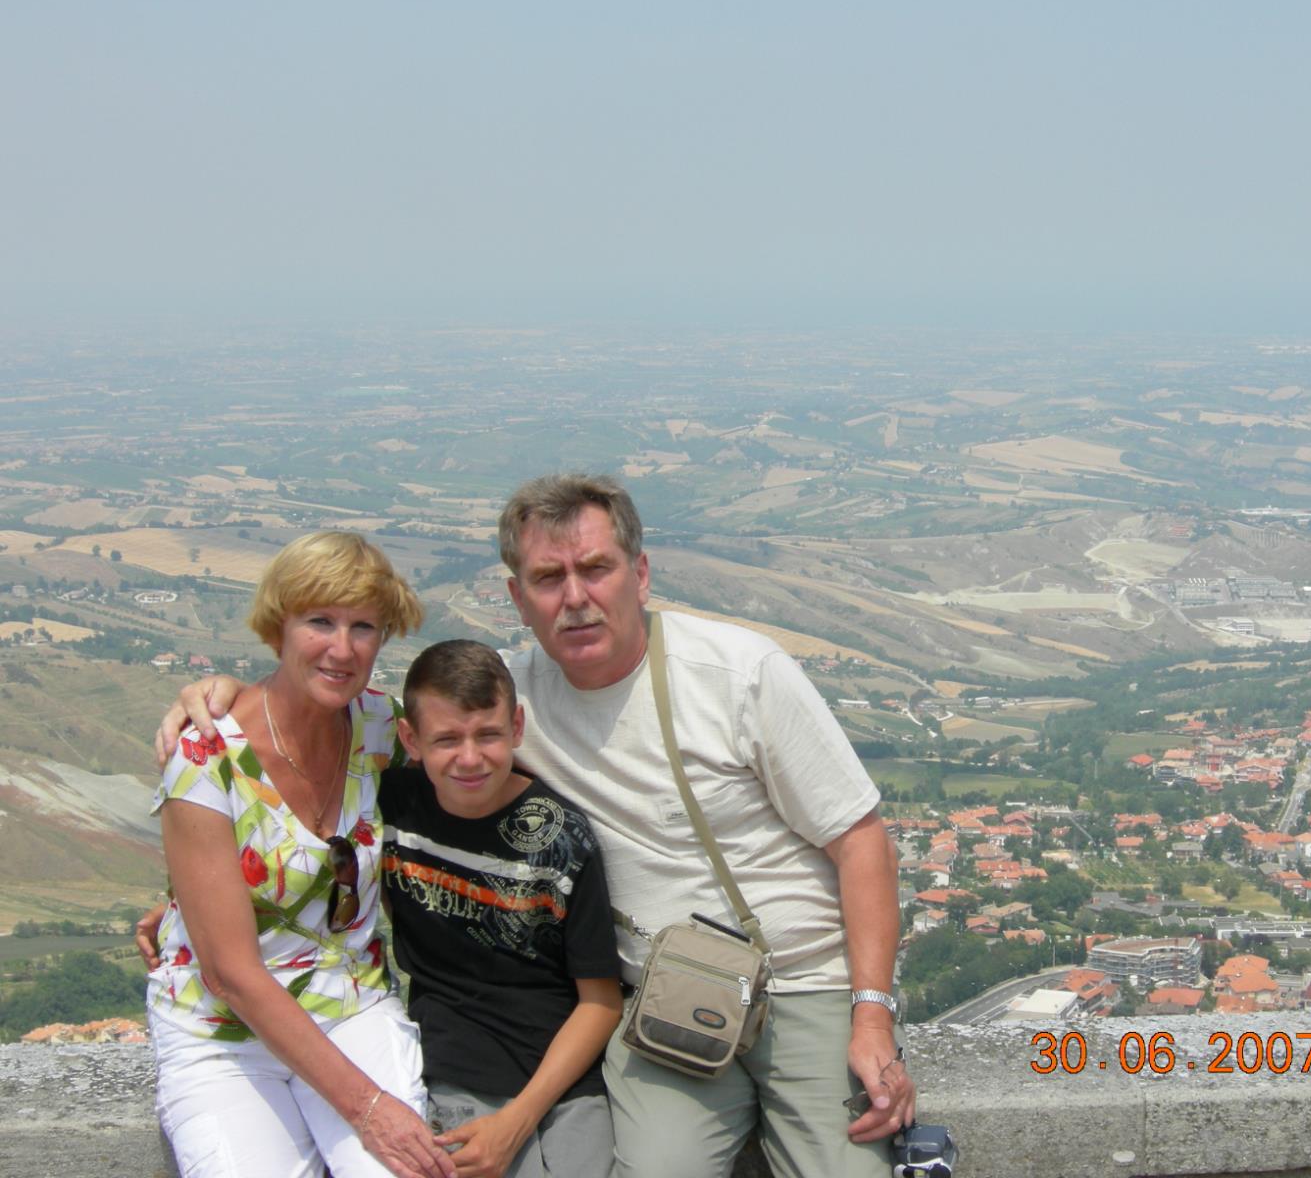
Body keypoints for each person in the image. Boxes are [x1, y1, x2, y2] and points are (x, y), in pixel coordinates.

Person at [158, 473, 915, 1178]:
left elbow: (862, 842)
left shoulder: (740, 673)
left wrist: (872, 1017)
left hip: (800, 983)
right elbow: (336, 731)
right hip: (660, 1000)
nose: (576, 598)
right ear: (518, 599)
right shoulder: (503, 699)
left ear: (640, 574)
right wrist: (197, 881)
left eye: (596, 569)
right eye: (550, 579)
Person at [145, 532, 455, 1178]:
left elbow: (482, 760)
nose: (342, 648)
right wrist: (370, 1109)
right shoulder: (205, 756)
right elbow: (232, 974)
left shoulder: (380, 726)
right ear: (278, 626)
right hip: (223, 1032)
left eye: (363, 627)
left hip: (350, 1004)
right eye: (320, 621)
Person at [385, 638, 623, 1178]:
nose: (470, 758)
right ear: (411, 739)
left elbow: (600, 1003)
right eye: (447, 739)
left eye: (488, 735)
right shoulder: (392, 806)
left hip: (563, 1078)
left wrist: (519, 1119)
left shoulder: (560, 838)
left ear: (516, 727)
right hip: (456, 1068)